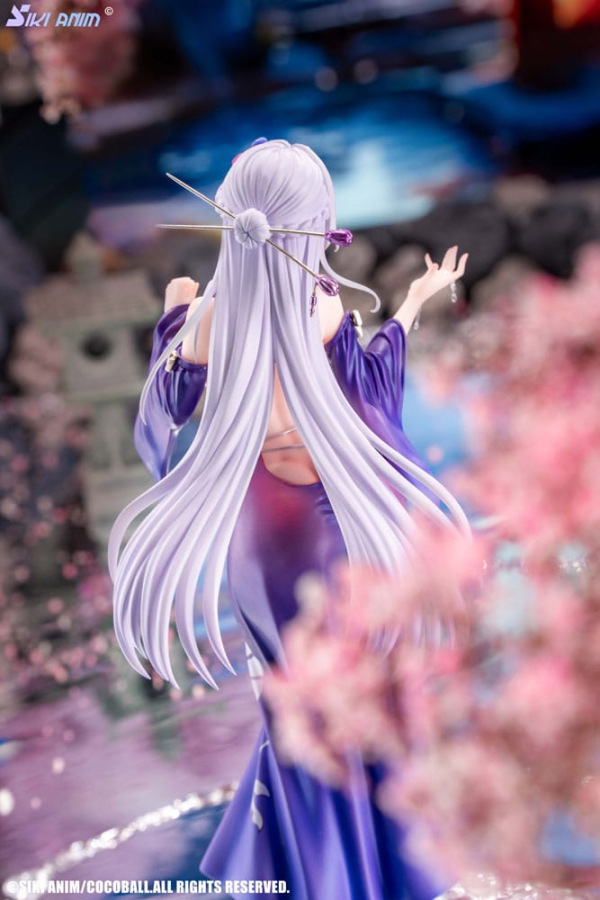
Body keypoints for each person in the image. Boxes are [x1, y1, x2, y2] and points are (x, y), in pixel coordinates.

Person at [109, 139, 469, 900]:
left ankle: (321, 876)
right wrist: (411, 305)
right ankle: (376, 869)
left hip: (260, 542)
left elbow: (165, 411)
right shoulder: (323, 307)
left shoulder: (210, 321)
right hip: (330, 527)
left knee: (295, 706)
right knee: (354, 697)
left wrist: (175, 314)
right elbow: (372, 396)